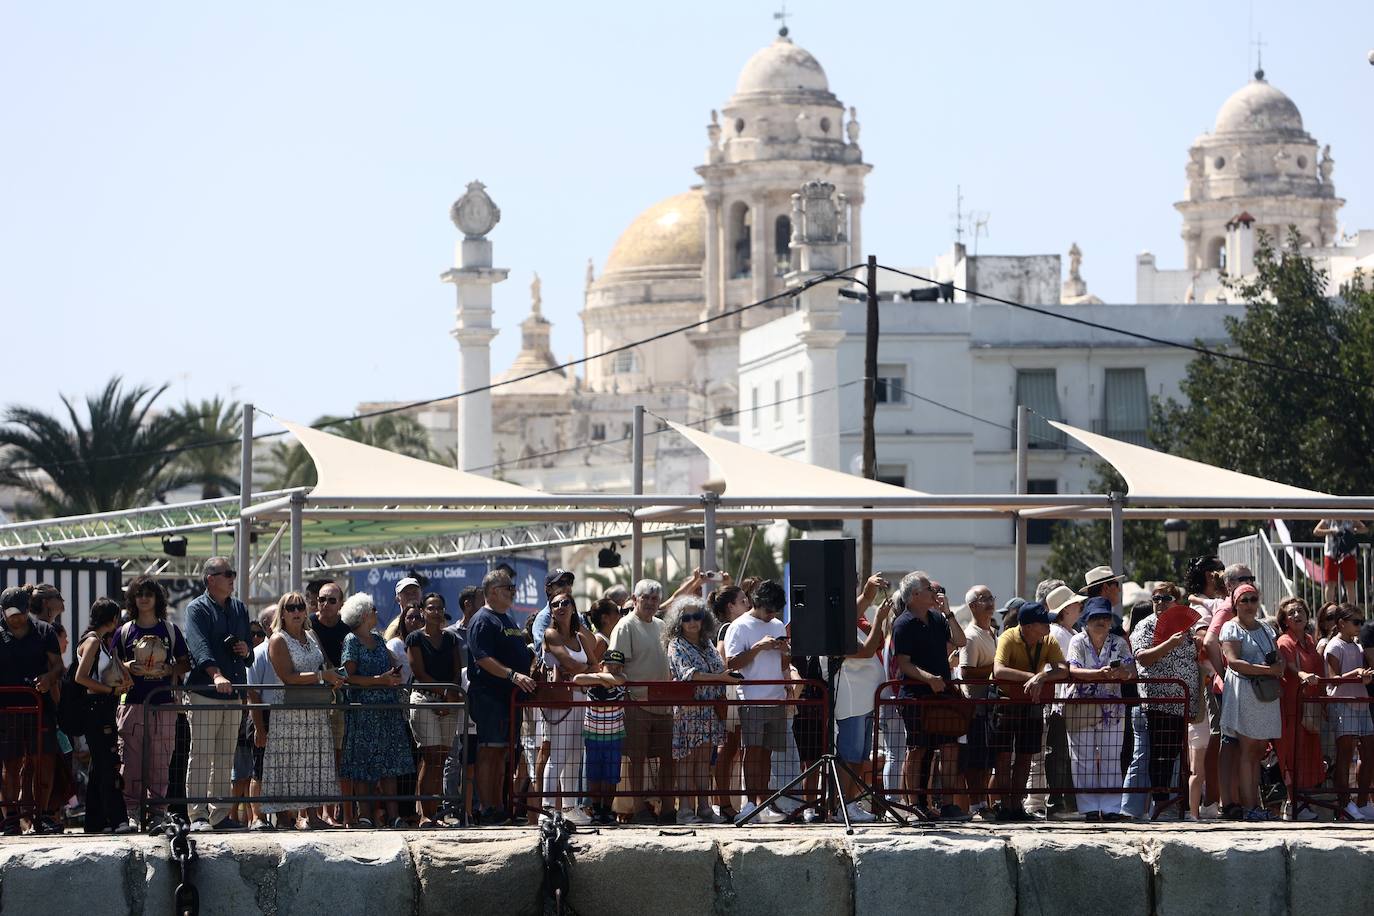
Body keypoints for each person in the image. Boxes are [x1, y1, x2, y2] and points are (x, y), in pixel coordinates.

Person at [260, 591, 343, 830]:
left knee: (314, 761)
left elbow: (322, 665)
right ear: (282, 613)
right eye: (290, 608)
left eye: (300, 607)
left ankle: (314, 816)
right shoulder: (278, 639)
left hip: (315, 708)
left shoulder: (311, 635)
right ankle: (292, 817)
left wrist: (332, 678)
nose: (296, 612)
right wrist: (320, 676)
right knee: (292, 763)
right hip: (290, 711)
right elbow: (287, 676)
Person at [111, 576, 190, 829]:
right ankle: (132, 812)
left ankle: (158, 813)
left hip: (164, 704)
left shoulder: (170, 630)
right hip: (132, 703)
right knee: (130, 763)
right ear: (133, 599)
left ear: (157, 598)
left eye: (149, 593)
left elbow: (185, 662)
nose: (143, 598)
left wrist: (169, 669)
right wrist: (126, 666)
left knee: (160, 761)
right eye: (139, 594)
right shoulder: (124, 631)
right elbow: (109, 666)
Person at [891, 570, 968, 820]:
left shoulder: (937, 619)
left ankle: (947, 804)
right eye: (928, 590)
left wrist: (948, 612)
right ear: (914, 595)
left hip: (941, 694)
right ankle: (913, 804)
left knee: (949, 747)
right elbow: (903, 663)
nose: (935, 593)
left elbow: (960, 641)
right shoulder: (902, 624)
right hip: (915, 695)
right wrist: (928, 679)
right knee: (918, 749)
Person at [182, 556, 251, 831]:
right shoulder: (196, 609)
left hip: (232, 692)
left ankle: (220, 815)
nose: (232, 577)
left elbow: (246, 648)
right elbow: (199, 647)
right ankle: (198, 815)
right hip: (205, 692)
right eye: (227, 573)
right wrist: (216, 674)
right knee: (202, 754)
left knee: (225, 756)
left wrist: (246, 650)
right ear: (210, 579)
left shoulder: (239, 608)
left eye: (232, 573)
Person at [338, 593, 414, 828]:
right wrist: (379, 681)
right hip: (363, 712)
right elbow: (349, 677)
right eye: (372, 609)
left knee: (389, 764)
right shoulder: (351, 641)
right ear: (363, 615)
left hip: (386, 710)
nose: (376, 613)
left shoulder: (379, 640)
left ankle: (394, 816)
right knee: (363, 766)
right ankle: (365, 815)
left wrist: (393, 674)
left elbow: (392, 664)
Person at [466, 570, 536, 825]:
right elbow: (482, 658)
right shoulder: (483, 620)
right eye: (509, 588)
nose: (513, 592)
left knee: (503, 754)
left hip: (509, 699)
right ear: (493, 591)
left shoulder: (506, 619)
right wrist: (513, 676)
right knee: (490, 752)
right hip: (490, 697)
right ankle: (488, 809)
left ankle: (499, 807)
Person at [1127, 582, 1200, 820]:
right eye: (1156, 599)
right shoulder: (1145, 626)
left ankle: (1172, 803)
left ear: (1176, 601)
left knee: (1174, 755)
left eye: (1166, 598)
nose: (1160, 603)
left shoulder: (1187, 628)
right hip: (1158, 699)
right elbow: (1143, 659)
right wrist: (1169, 643)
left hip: (1182, 701)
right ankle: (1160, 803)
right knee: (1160, 753)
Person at [991, 601, 1068, 821]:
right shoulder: (1008, 637)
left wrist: (1042, 676)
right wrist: (1032, 678)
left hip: (1031, 705)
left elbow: (1063, 670)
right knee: (1003, 757)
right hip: (1005, 703)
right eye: (1043, 623)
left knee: (1025, 756)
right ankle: (1005, 805)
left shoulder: (1048, 640)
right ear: (1029, 626)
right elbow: (999, 670)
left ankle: (1017, 806)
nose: (1048, 626)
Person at [609, 578, 676, 824]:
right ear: (635, 599)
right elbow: (614, 665)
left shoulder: (662, 626)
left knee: (669, 758)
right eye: (645, 597)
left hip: (664, 704)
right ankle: (638, 808)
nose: (649, 602)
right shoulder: (624, 626)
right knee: (636, 759)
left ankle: (669, 808)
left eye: (654, 598)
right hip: (636, 702)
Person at [723, 579, 789, 824]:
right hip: (751, 698)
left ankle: (763, 803)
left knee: (767, 754)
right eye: (769, 610)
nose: (771, 615)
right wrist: (759, 648)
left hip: (776, 698)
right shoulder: (739, 627)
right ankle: (749, 803)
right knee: (752, 752)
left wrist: (784, 650)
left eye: (775, 611)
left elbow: (783, 663)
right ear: (757, 603)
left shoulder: (778, 623)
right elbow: (731, 664)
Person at [664, 596, 734, 824]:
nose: (693, 622)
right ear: (679, 621)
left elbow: (719, 667)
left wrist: (722, 678)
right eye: (687, 618)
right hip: (688, 711)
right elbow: (689, 675)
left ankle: (704, 808)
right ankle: (685, 811)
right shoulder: (676, 644)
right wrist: (720, 678)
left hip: (710, 710)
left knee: (704, 761)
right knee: (686, 760)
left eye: (697, 616)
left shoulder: (708, 643)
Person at [1064, 597, 1136, 821]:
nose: (1101, 621)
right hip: (1082, 705)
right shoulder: (1077, 641)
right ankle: (1089, 809)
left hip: (1112, 708)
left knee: (1111, 757)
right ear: (1086, 620)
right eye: (1096, 617)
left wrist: (1121, 673)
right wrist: (1100, 674)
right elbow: (1073, 670)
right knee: (1082, 757)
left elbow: (1131, 669)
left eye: (1105, 617)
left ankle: (1111, 807)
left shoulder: (1119, 642)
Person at [829, 584, 893, 824]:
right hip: (851, 701)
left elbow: (864, 600)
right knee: (848, 756)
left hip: (866, 701)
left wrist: (869, 591)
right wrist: (878, 618)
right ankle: (840, 806)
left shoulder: (850, 620)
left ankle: (850, 803)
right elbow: (866, 651)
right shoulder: (836, 629)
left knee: (859, 758)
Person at [1219, 583, 1282, 821]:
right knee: (1247, 751)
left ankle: (1256, 804)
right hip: (1244, 691)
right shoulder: (1230, 627)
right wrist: (1267, 671)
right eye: (1243, 600)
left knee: (1257, 752)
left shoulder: (1267, 628)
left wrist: (1278, 667)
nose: (1249, 604)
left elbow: (1277, 657)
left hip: (1265, 694)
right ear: (1235, 603)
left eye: (1253, 599)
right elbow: (1233, 661)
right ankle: (1249, 807)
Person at [72, 597, 134, 833]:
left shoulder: (97, 641)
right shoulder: (93, 642)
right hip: (95, 709)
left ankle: (96, 821)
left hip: (100, 708)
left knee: (99, 766)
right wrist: (111, 690)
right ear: (113, 619)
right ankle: (117, 818)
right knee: (108, 764)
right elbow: (82, 677)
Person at [406, 592, 463, 827]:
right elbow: (419, 672)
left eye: (439, 607)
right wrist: (443, 694)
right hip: (424, 699)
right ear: (423, 611)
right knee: (429, 757)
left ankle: (435, 813)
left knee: (441, 758)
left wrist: (450, 696)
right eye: (431, 607)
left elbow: (457, 670)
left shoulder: (450, 639)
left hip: (448, 701)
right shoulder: (415, 639)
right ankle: (425, 814)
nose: (436, 612)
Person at [539, 591, 596, 824]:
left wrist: (582, 673)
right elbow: (570, 663)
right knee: (558, 756)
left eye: (565, 603)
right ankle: (547, 809)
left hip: (581, 700)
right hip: (561, 702)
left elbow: (595, 663)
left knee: (574, 756)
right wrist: (587, 673)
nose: (560, 607)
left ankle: (570, 808)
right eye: (555, 604)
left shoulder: (580, 638)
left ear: (573, 608)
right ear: (551, 610)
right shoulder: (551, 634)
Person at [1271, 597, 1323, 820]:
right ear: (1284, 619)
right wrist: (1302, 675)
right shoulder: (1284, 641)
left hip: (1309, 706)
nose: (1297, 615)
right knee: (1290, 754)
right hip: (1291, 707)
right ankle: (1292, 803)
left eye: (1300, 610)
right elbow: (1289, 667)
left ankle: (1302, 802)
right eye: (1291, 612)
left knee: (1308, 754)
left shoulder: (1310, 640)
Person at [1324, 604, 1374, 820]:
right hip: (1343, 703)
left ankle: (1362, 802)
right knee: (1344, 755)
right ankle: (1344, 804)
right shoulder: (1333, 647)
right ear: (1341, 623)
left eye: (1361, 622)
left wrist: (1365, 676)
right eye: (1355, 622)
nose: (1359, 626)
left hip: (1361, 702)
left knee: (1370, 753)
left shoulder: (1357, 646)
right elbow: (1333, 679)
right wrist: (1356, 673)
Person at [572, 649, 629, 825]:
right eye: (610, 665)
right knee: (594, 775)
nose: (614, 669)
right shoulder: (592, 680)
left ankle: (607, 809)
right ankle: (596, 809)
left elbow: (621, 679)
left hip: (614, 735)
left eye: (618, 666)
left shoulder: (621, 680)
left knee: (612, 776)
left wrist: (602, 678)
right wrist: (601, 678)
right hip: (593, 735)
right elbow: (576, 679)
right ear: (602, 665)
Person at [958, 585, 999, 820]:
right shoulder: (971, 636)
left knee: (987, 759)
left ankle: (984, 802)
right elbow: (966, 673)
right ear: (972, 606)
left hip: (990, 705)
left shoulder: (992, 632)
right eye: (984, 599)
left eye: (990, 597)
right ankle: (976, 805)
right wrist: (996, 670)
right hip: (975, 707)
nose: (989, 602)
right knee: (975, 759)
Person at [711, 585, 750, 821]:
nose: (748, 604)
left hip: (734, 692)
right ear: (730, 606)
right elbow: (724, 660)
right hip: (731, 692)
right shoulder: (728, 629)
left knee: (734, 748)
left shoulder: (736, 627)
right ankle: (723, 803)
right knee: (728, 747)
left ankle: (727, 802)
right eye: (743, 600)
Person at [245, 604, 282, 830]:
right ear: (269, 625)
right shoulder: (258, 653)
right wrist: (260, 728)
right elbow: (252, 693)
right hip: (263, 714)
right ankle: (257, 817)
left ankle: (283, 816)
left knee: (282, 769)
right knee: (259, 769)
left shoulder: (288, 648)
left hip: (282, 713)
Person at [1314, 519, 1367, 604]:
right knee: (1330, 582)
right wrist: (1331, 531)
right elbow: (1316, 531)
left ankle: (1351, 608)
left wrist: (1353, 531)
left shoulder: (1350, 517)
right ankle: (1329, 607)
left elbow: (1364, 529)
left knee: (1350, 583)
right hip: (1331, 553)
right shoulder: (1328, 518)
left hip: (1348, 553)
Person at [385, 602, 424, 684]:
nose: (413, 621)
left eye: (417, 617)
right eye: (409, 617)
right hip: (401, 692)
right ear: (403, 620)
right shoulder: (395, 644)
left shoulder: (426, 644)